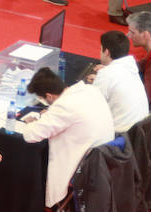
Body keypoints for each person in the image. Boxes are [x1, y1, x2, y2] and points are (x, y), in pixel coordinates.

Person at [20, 66, 115, 210]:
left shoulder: (63, 107)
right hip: (108, 155)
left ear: (49, 96)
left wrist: (32, 122)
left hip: (86, 168)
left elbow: (30, 135)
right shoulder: (89, 90)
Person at [90, 31, 150, 134]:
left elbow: (91, 106)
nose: (100, 53)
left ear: (107, 52)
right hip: (138, 133)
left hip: (119, 136)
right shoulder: (131, 68)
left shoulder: (107, 74)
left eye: (101, 49)